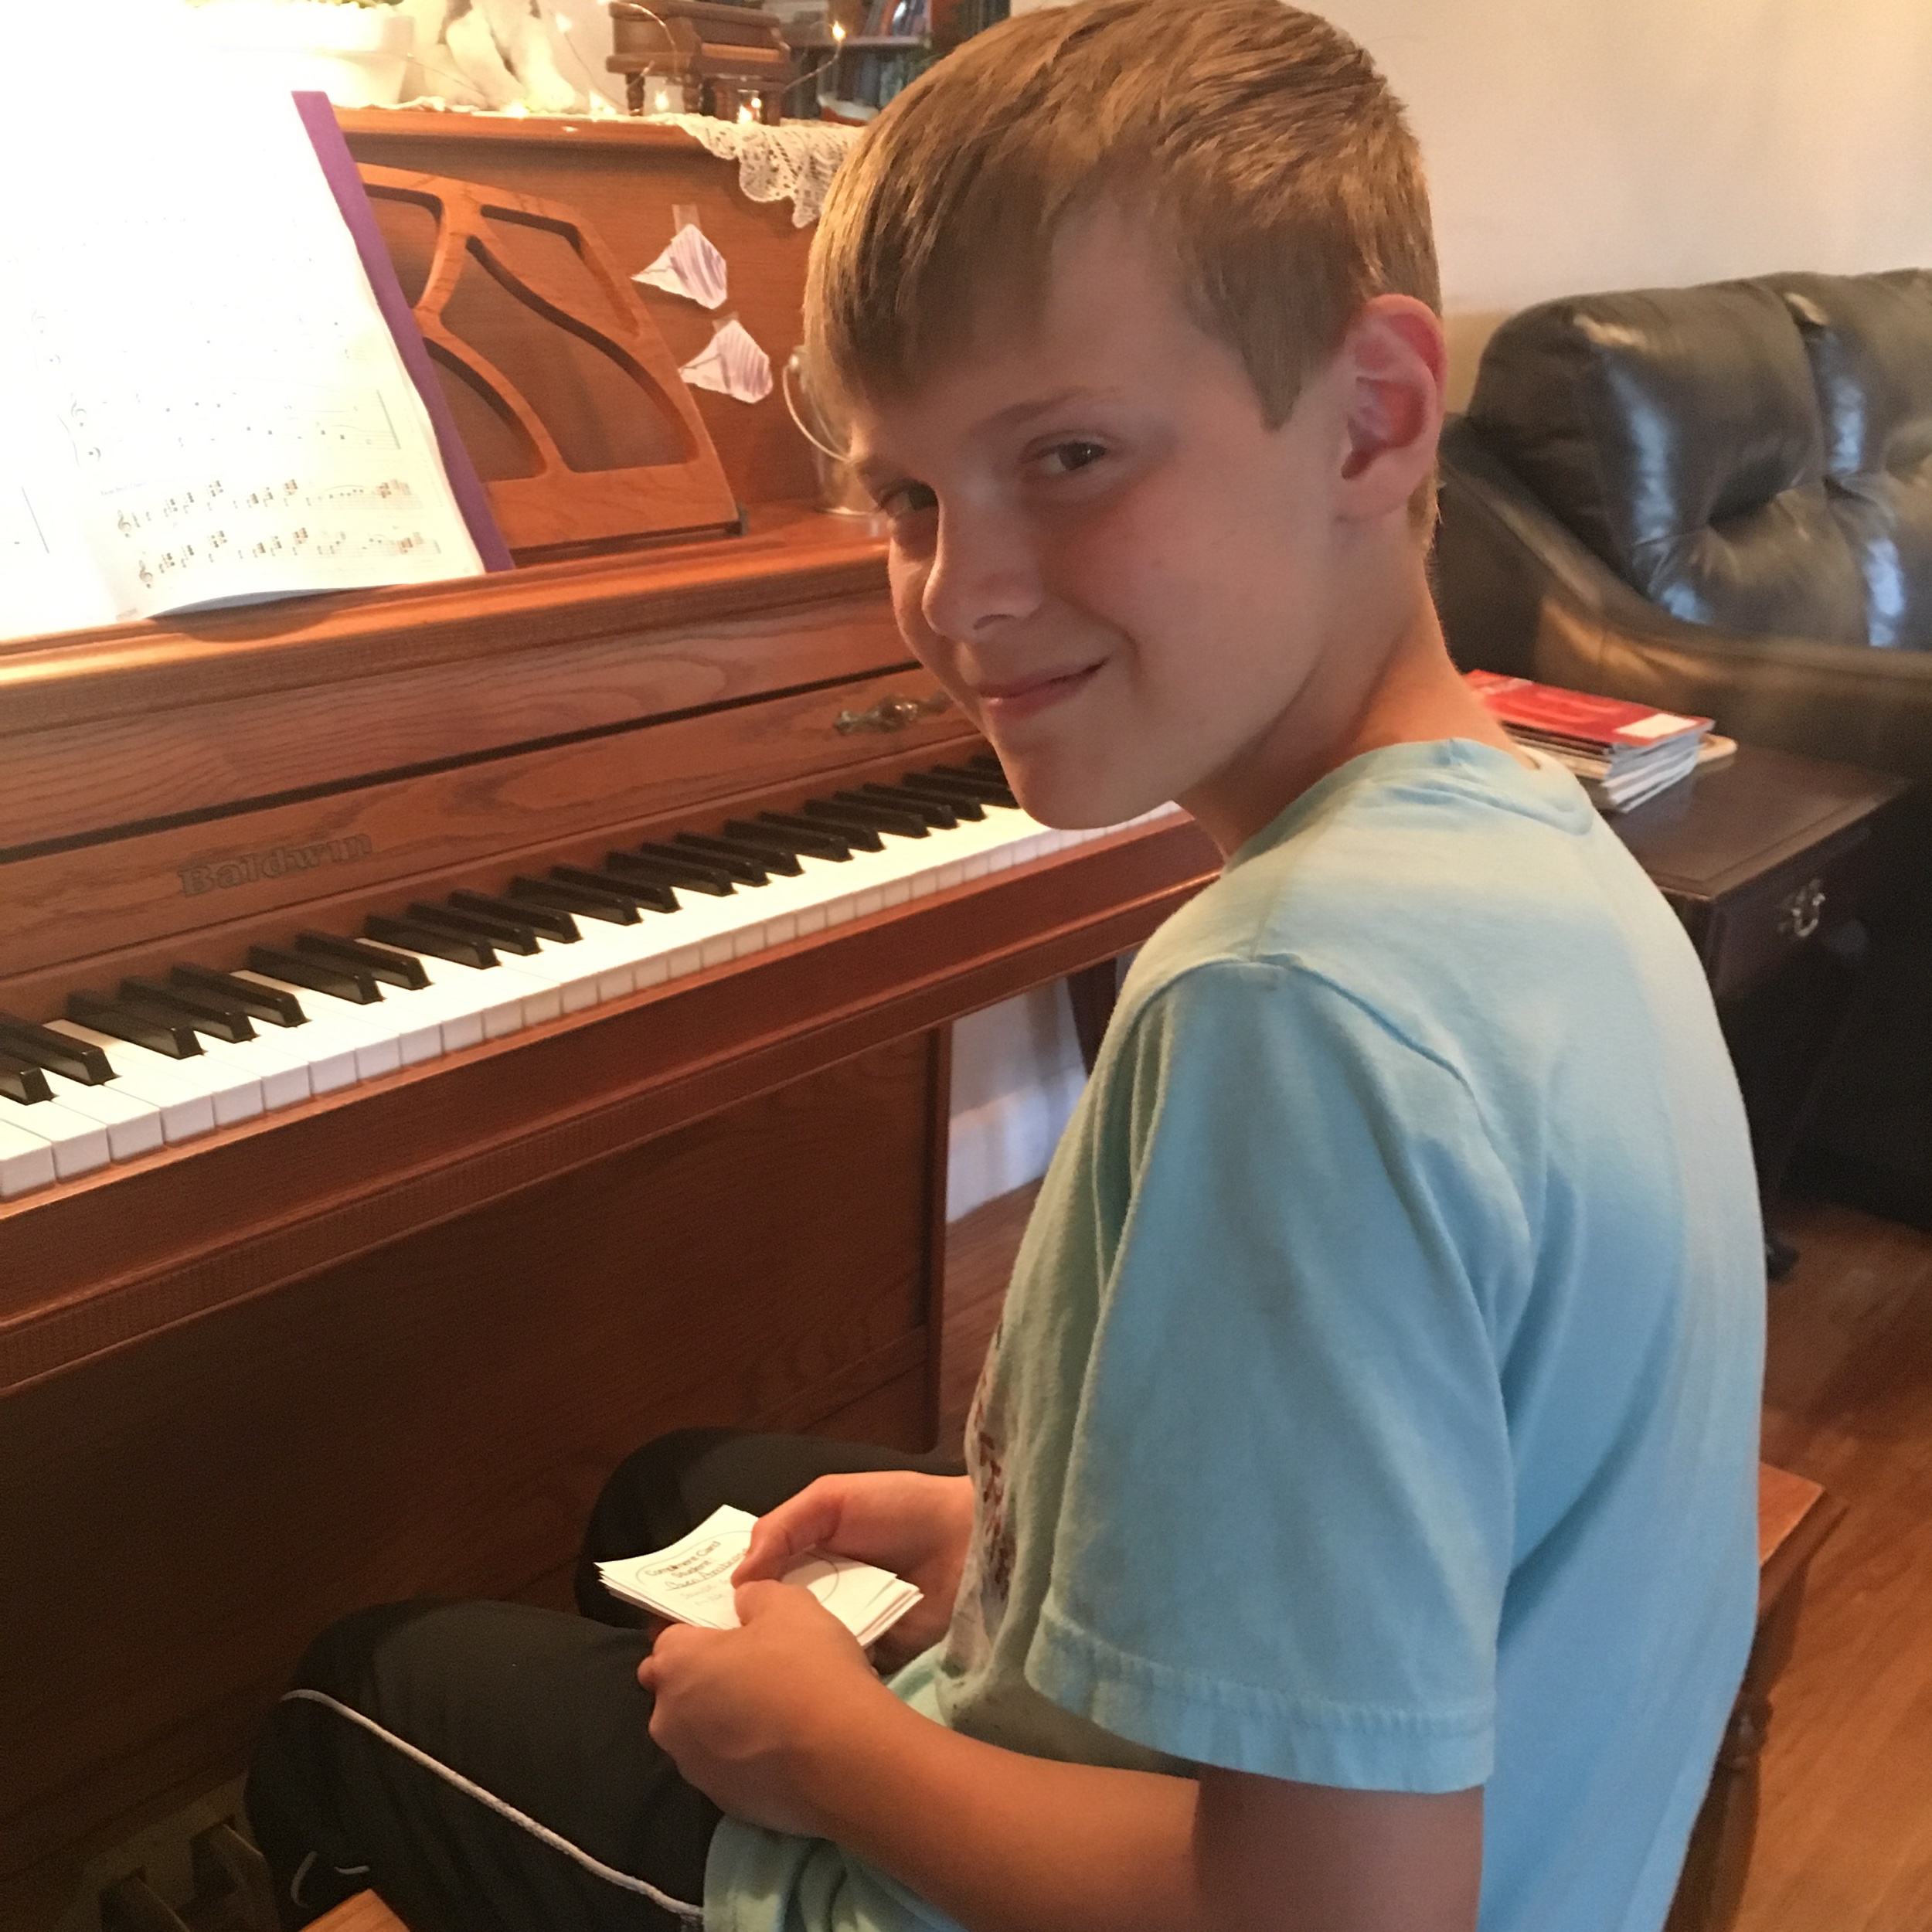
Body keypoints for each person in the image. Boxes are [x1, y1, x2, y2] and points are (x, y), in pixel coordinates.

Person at [245, 2, 1766, 1928]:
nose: (959, 594)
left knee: (361, 1684)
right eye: (903, 497)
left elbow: (1335, 1913)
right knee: (673, 1489)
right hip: (1556, 1838)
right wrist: (1012, 1534)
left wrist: (823, 1751)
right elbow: (1439, 1511)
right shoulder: (1545, 841)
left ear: (1373, 416)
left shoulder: (1282, 1006)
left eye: (1065, 454)